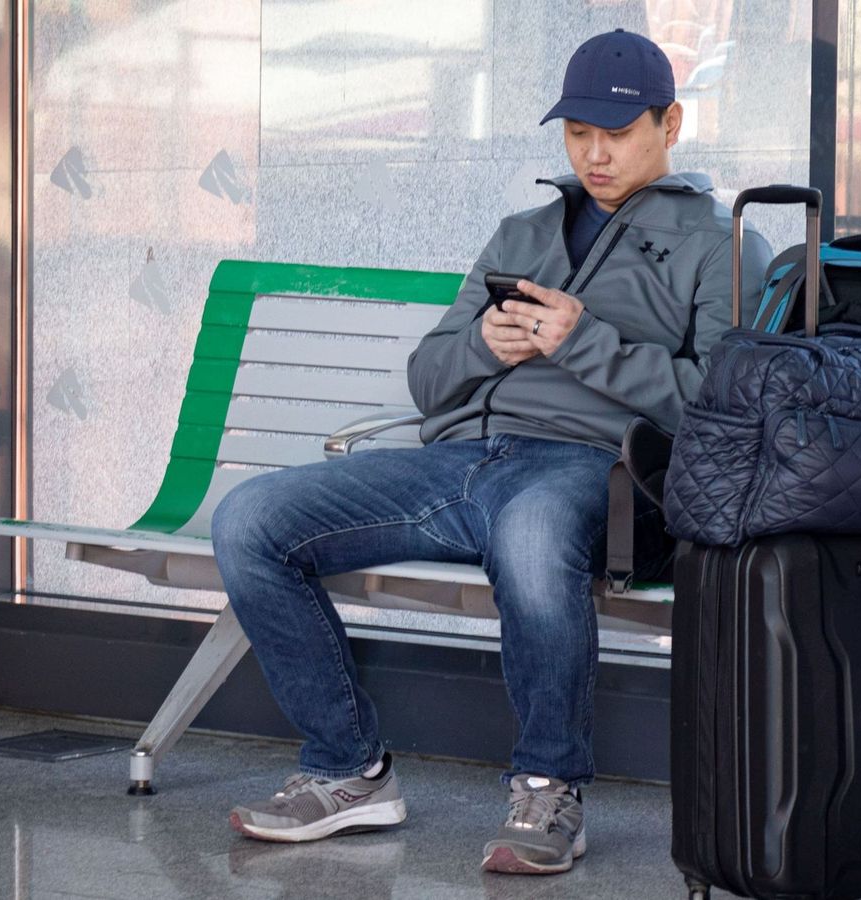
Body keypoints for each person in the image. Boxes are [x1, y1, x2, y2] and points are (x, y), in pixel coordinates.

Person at [210, 28, 771, 875]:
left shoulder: (723, 244)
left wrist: (584, 343)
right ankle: (349, 769)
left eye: (617, 133)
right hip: (465, 464)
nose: (595, 154)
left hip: (600, 473)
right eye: (578, 133)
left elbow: (719, 407)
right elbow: (428, 378)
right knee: (250, 519)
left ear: (671, 125)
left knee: (531, 535)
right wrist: (483, 346)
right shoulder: (522, 233)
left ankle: (549, 789)